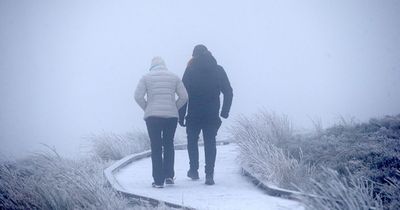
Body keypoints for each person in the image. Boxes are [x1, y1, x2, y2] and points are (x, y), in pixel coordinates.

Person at [179, 45, 233, 185]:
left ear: (195, 55)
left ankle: (194, 170)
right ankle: (209, 174)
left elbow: (183, 95)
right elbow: (228, 91)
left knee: (192, 141)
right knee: (210, 142)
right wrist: (224, 111)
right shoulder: (218, 70)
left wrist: (181, 114)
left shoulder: (190, 70)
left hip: (194, 113)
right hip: (211, 113)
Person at [135, 56, 188, 188]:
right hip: (171, 117)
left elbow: (137, 96)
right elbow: (184, 97)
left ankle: (158, 180)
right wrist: (174, 107)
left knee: (156, 146)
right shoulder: (174, 77)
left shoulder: (146, 77)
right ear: (164, 65)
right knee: (169, 144)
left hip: (153, 117)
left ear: (152, 66)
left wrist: (147, 107)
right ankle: (169, 176)